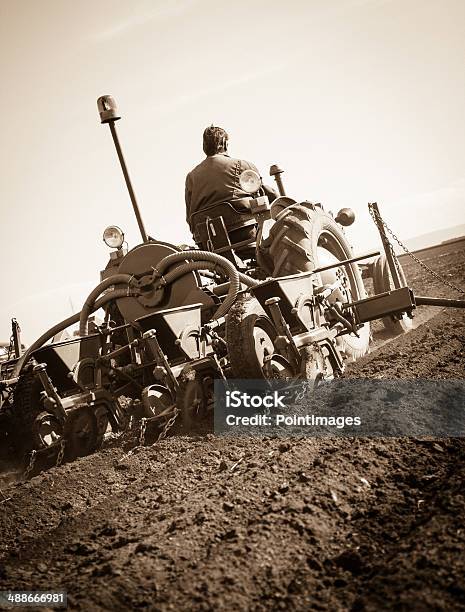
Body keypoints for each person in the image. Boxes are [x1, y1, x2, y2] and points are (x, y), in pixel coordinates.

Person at [185, 126, 276, 245]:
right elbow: (262, 195)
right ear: (225, 144)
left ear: (204, 147)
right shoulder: (243, 165)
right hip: (243, 232)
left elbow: (189, 216)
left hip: (206, 241)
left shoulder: (191, 177)